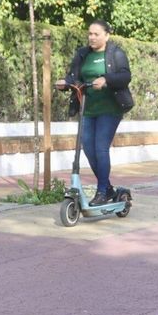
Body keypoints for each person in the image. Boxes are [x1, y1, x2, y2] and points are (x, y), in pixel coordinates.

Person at [55, 20, 134, 206]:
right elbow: (74, 77)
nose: (91, 37)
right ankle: (107, 188)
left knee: (100, 147)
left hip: (110, 109)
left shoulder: (116, 53)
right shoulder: (83, 54)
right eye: (90, 33)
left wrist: (106, 79)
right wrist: (65, 83)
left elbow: (125, 76)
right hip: (88, 109)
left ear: (106, 35)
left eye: (96, 34)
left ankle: (101, 191)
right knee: (89, 149)